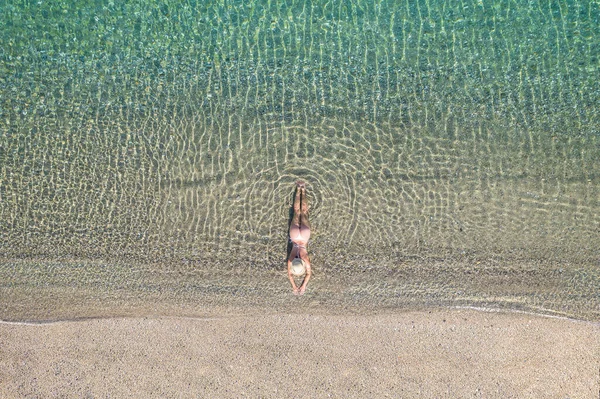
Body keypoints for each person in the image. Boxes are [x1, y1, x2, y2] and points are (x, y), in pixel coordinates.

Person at [287, 180, 312, 295]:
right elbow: (290, 274)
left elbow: (308, 274)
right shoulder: (291, 260)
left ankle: (302, 188)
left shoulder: (305, 259)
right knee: (297, 212)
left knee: (303, 212)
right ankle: (299, 188)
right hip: (295, 236)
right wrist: (294, 286)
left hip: (304, 237)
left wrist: (302, 286)